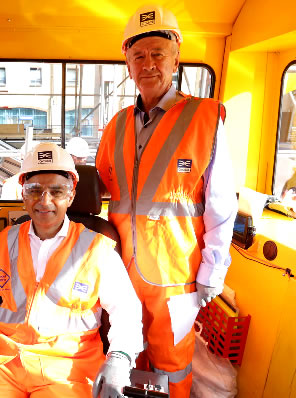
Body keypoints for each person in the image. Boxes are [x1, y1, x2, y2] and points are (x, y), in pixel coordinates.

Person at [95, 5, 237, 397]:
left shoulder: (206, 118)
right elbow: (106, 187)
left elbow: (221, 206)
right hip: (121, 273)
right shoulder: (116, 125)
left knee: (171, 367)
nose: (148, 64)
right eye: (138, 56)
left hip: (176, 279)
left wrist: (212, 272)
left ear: (176, 57)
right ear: (128, 64)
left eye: (158, 53)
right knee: (125, 359)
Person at [0, 143, 143, 398]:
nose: (44, 201)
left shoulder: (97, 249)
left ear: (71, 196)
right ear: (23, 194)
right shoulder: (4, 241)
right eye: (34, 190)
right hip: (2, 363)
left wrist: (119, 358)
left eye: (57, 191)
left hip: (69, 369)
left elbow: (126, 310)